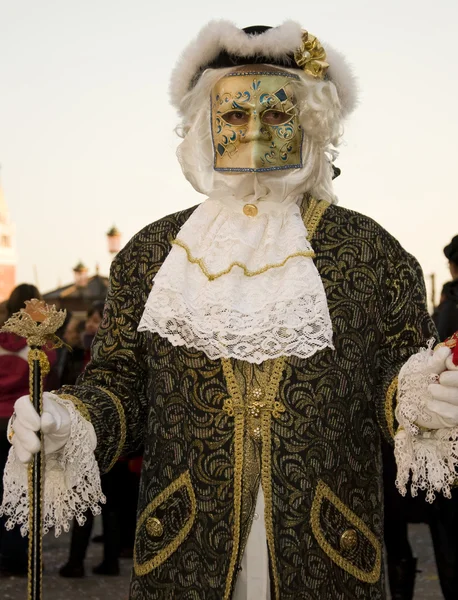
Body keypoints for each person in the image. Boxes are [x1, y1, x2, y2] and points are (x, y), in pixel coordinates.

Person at [3, 22, 458, 599]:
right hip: (185, 546)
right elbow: (123, 385)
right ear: (207, 125)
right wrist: (74, 418)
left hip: (327, 550)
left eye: (275, 115)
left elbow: (394, 383)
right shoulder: (151, 253)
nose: (254, 131)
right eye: (236, 116)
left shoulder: (371, 251)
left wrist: (427, 396)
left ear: (309, 122)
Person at [0, 284, 56, 576]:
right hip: (24, 423)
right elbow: (52, 372)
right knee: (23, 490)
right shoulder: (38, 344)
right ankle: (20, 555)